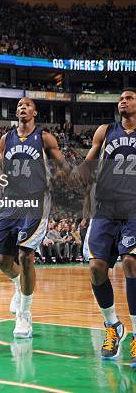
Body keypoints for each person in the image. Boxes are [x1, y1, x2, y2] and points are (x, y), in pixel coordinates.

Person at [0, 98, 69, 338]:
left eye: (26, 105)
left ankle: (24, 315)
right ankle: (18, 284)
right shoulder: (6, 139)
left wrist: (59, 180)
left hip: (36, 200)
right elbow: (1, 170)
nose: (22, 107)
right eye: (18, 105)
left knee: (26, 255)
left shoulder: (44, 137)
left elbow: (63, 166)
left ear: (35, 111)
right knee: (3, 262)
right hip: (11, 202)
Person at [79, 90, 136, 364]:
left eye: (129, 97)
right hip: (105, 207)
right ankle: (113, 326)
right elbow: (89, 167)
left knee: (131, 262)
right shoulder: (105, 131)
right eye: (121, 98)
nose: (123, 101)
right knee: (96, 268)